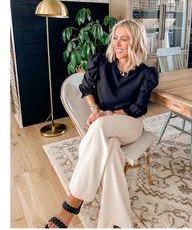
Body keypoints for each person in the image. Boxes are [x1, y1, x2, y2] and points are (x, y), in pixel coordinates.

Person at [45, 19, 159, 228]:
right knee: (112, 151)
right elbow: (86, 87)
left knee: (98, 127)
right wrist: (95, 110)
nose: (117, 44)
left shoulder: (146, 73)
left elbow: (138, 108)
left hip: (130, 124)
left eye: (124, 39)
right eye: (115, 38)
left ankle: (72, 202)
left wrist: (106, 114)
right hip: (106, 125)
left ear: (136, 43)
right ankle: (115, 222)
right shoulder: (101, 62)